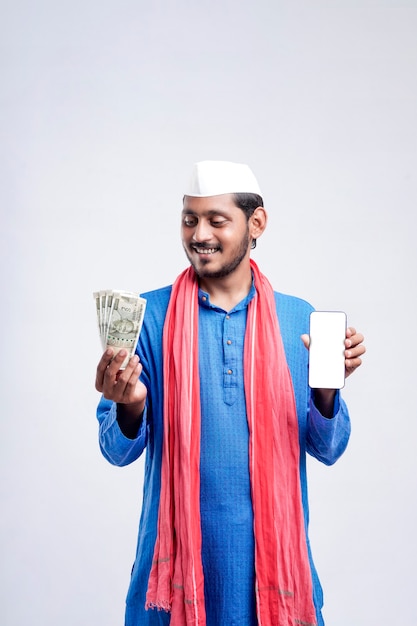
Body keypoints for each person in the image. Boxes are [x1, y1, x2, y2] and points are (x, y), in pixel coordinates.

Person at [95, 160, 365, 626]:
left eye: (216, 221)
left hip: (275, 581)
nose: (199, 234)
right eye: (189, 219)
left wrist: (325, 393)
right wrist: (130, 406)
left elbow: (330, 447)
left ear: (256, 222)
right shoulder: (150, 316)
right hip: (172, 587)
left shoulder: (298, 318)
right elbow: (114, 450)